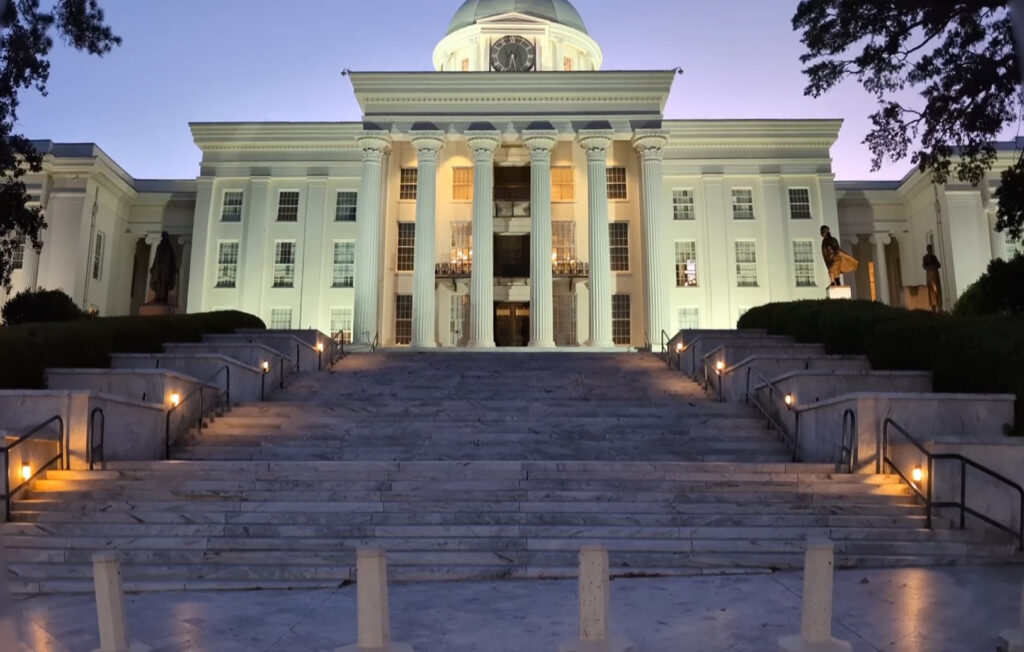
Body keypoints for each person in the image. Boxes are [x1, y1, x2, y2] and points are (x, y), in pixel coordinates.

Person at [149, 232, 178, 304]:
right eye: (163, 236)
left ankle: (163, 299)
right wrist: (153, 267)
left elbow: (172, 259)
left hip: (166, 270)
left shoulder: (169, 247)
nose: (164, 238)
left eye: (165, 236)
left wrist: (174, 268)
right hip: (159, 270)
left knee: (165, 285)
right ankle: (158, 298)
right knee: (159, 285)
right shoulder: (159, 246)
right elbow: (156, 258)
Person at [922, 244, 943, 313]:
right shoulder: (925, 257)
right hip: (930, 276)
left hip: (935, 275)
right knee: (931, 291)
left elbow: (939, 265)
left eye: (931, 249)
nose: (930, 250)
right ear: (927, 249)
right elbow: (924, 266)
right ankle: (933, 306)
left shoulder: (934, 257)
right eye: (929, 249)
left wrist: (933, 266)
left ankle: (939, 307)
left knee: (937, 290)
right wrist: (930, 266)